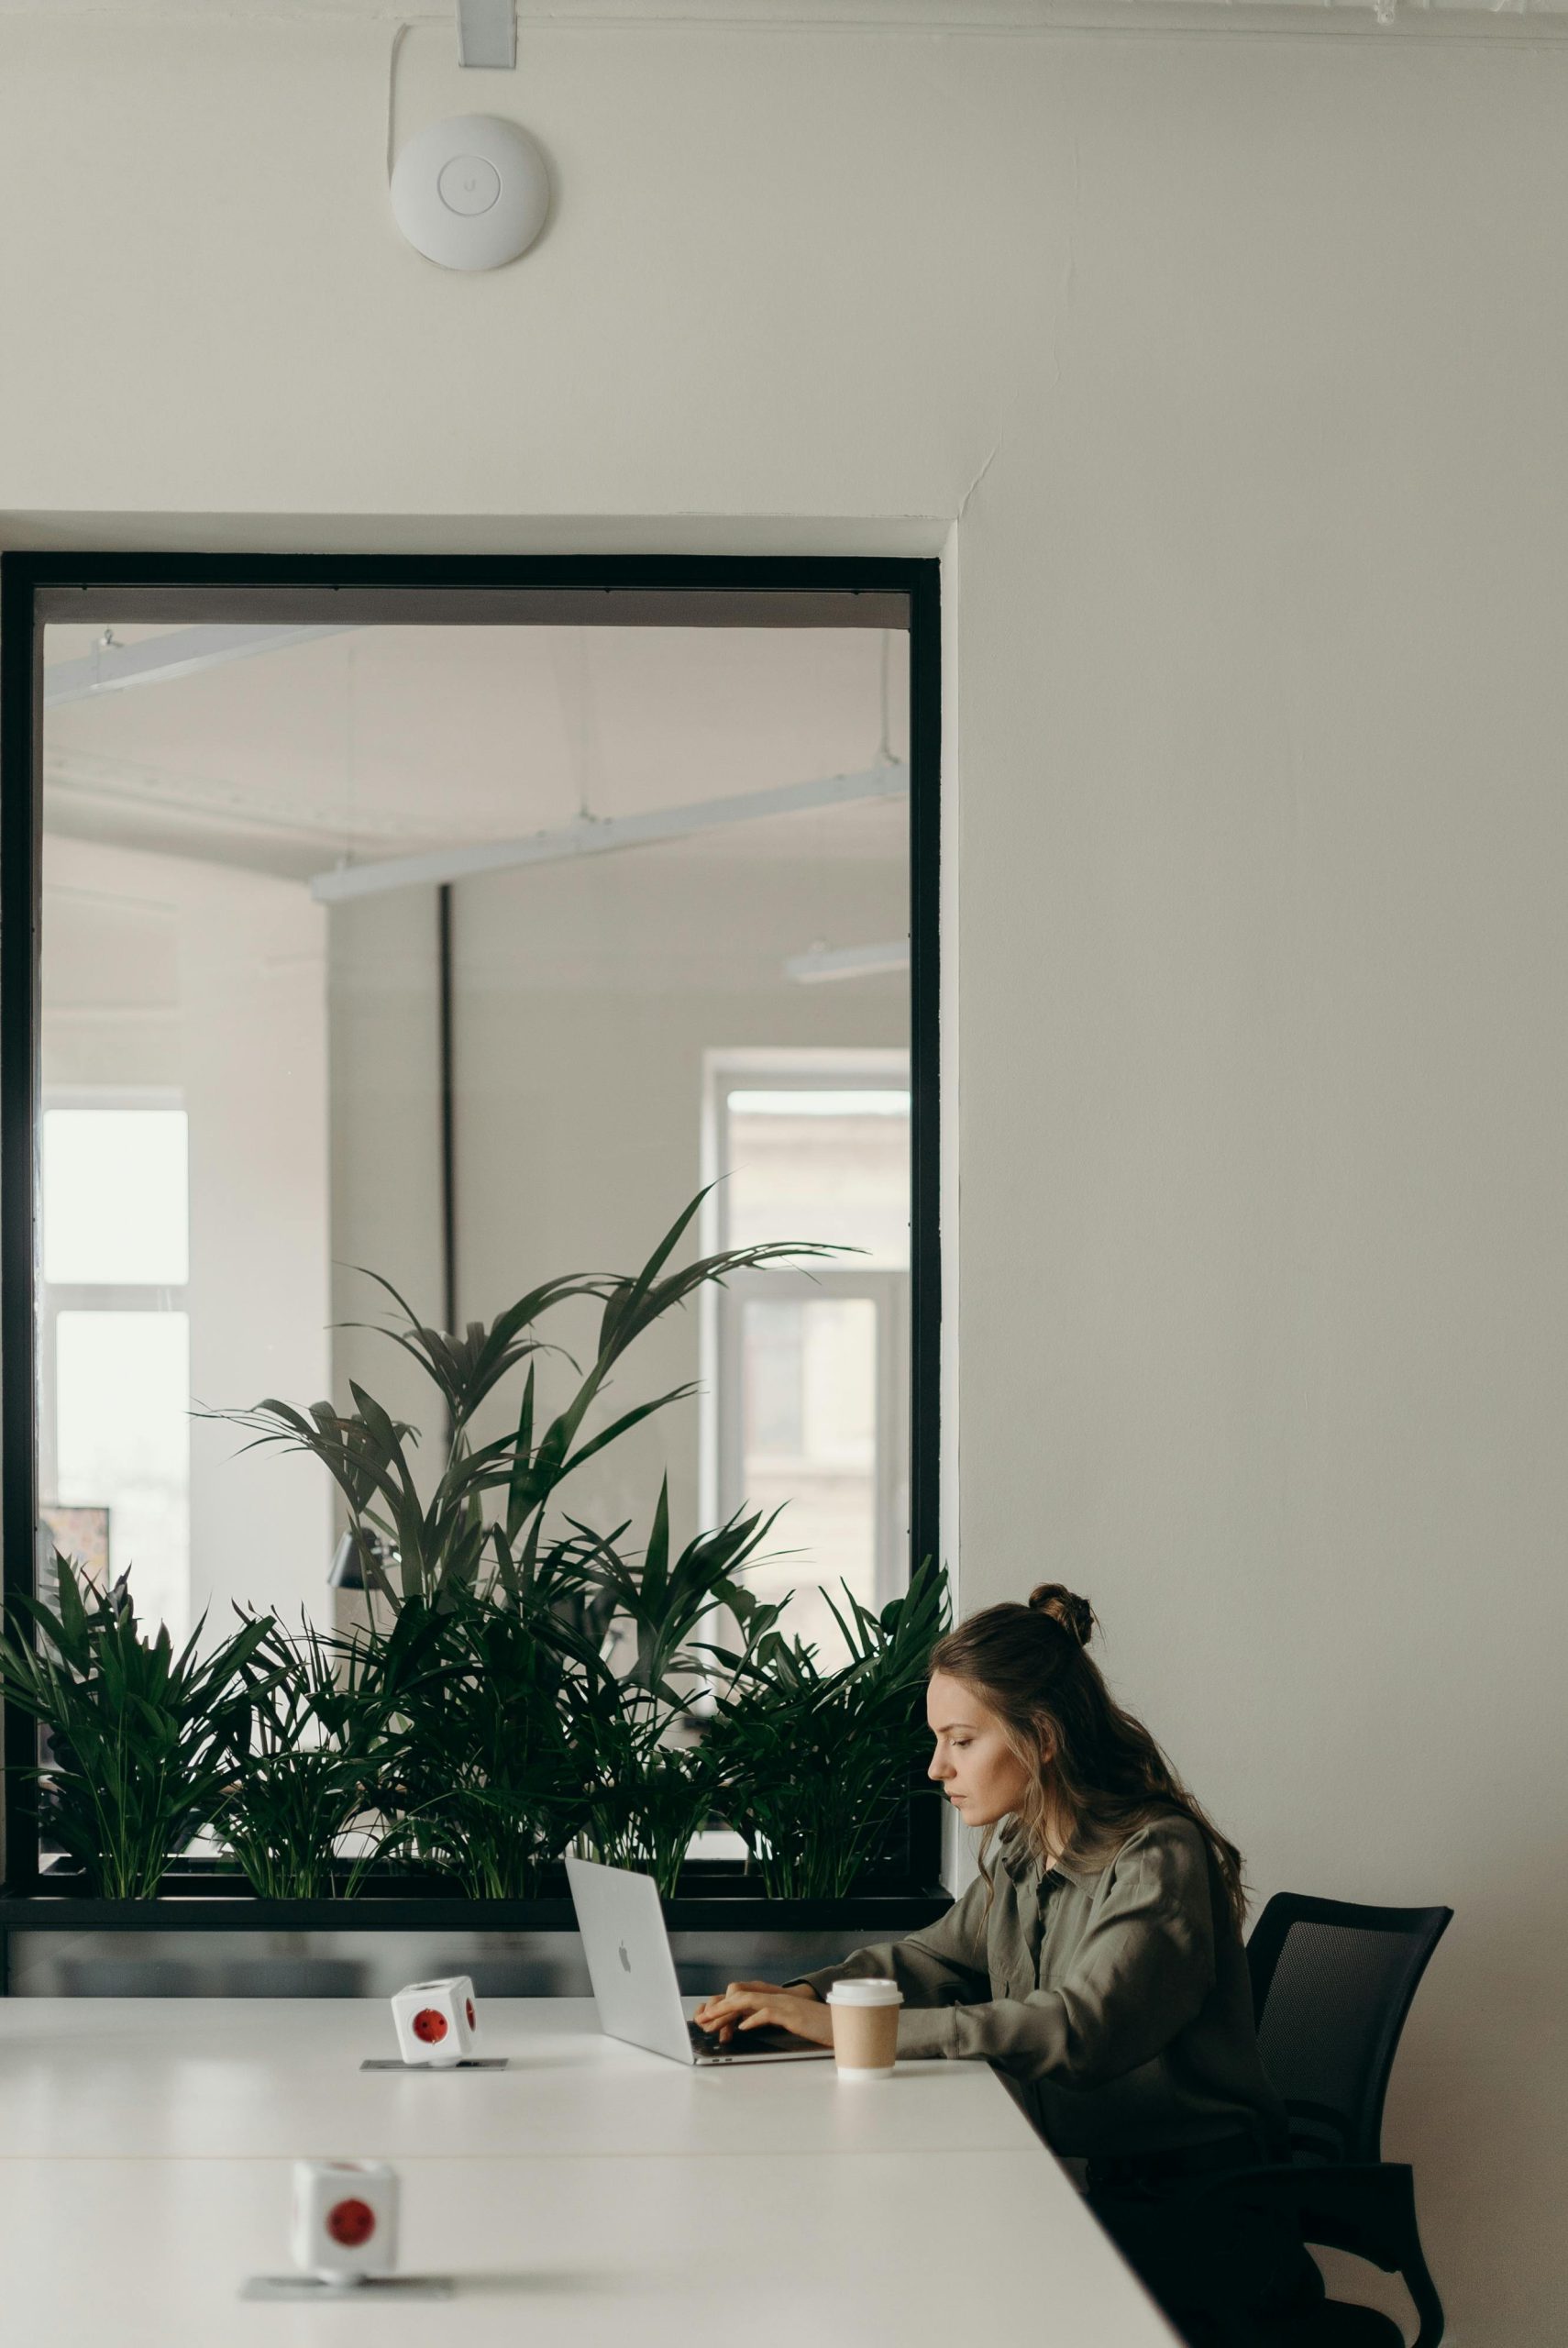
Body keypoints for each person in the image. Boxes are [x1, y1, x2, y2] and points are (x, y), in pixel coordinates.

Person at [694, 1585, 1327, 2347]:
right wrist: (800, 1996)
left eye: (961, 1740)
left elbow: (1080, 2029)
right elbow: (931, 1957)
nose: (936, 1768)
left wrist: (845, 2030)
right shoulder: (1027, 1848)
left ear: (1042, 1737)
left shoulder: (1156, 1855)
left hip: (1198, 2221)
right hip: (1091, 2184)